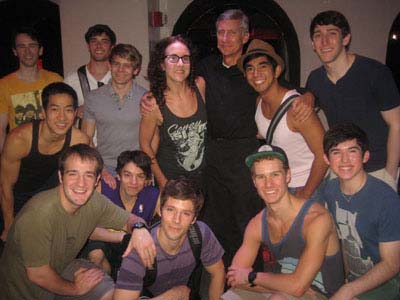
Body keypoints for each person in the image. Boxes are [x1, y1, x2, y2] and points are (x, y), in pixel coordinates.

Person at [0, 144, 156, 300]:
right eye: (73, 174)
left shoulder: (94, 201)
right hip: (26, 290)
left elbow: (129, 219)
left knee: (109, 292)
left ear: (97, 180)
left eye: (88, 175)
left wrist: (139, 228)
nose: (81, 183)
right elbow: (38, 275)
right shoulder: (38, 214)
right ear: (61, 177)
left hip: (63, 267)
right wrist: (75, 288)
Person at [223, 145, 344, 299]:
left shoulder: (316, 219)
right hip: (282, 287)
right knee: (228, 297)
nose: (268, 184)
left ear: (288, 175)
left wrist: (252, 277)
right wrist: (281, 287)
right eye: (261, 177)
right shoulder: (257, 224)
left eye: (275, 174)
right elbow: (235, 279)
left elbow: (298, 287)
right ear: (254, 182)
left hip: (321, 294)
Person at [306, 10, 400, 190]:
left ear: (346, 38)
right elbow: (304, 115)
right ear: (313, 43)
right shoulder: (315, 80)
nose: (324, 42)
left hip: (377, 170)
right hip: (341, 169)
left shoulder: (375, 72)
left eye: (332, 34)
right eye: (318, 36)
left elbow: (397, 124)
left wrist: (390, 174)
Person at [237, 39, 327, 200]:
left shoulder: (297, 108)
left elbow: (323, 154)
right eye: (250, 69)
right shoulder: (259, 103)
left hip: (308, 185)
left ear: (277, 71)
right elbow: (274, 133)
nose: (256, 74)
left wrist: (306, 192)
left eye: (263, 66)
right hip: (282, 185)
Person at [0, 82, 90, 242]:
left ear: (75, 113)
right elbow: (5, 186)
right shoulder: (19, 139)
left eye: (68, 110)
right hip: (17, 200)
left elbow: (84, 178)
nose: (62, 118)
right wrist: (9, 226)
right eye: (55, 110)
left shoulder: (79, 140)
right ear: (43, 112)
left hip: (51, 200)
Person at [322, 123, 400, 300]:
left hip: (388, 281)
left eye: (352, 151)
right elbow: (341, 240)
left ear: (365, 156)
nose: (344, 160)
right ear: (326, 159)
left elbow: (392, 264)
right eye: (336, 152)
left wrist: (349, 290)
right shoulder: (330, 190)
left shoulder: (386, 199)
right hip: (354, 277)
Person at [114, 177, 225, 300]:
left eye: (186, 213)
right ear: (160, 210)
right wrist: (172, 295)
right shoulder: (139, 250)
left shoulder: (200, 234)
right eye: (170, 210)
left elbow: (218, 271)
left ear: (194, 219)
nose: (176, 220)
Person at [140, 35, 206, 188]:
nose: (180, 64)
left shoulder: (200, 85)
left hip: (202, 178)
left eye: (185, 58)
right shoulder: (154, 103)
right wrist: (162, 180)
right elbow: (145, 144)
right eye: (173, 58)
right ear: (162, 64)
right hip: (171, 180)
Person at [82, 150, 159, 278]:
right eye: (127, 175)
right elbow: (88, 230)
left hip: (133, 246)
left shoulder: (153, 195)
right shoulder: (104, 189)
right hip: (104, 240)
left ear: (146, 179)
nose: (133, 182)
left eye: (140, 176)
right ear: (118, 175)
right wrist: (124, 237)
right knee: (96, 255)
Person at [82, 43, 146, 188]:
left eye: (127, 65)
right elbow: (86, 138)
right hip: (105, 166)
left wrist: (145, 170)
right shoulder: (93, 98)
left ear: (136, 70)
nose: (120, 70)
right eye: (116, 64)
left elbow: (152, 139)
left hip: (137, 168)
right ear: (109, 66)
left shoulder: (146, 98)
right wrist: (101, 169)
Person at [0, 25, 63, 152]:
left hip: (53, 152)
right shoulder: (4, 85)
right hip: (21, 154)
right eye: (21, 46)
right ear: (14, 51)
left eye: (32, 45)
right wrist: (5, 158)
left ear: (40, 50)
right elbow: (1, 129)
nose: (27, 51)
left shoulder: (55, 80)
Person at [64, 24, 116, 142]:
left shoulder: (120, 79)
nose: (98, 46)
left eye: (104, 41)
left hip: (114, 147)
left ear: (112, 47)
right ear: (88, 46)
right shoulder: (72, 81)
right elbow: (61, 116)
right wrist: (76, 112)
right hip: (83, 147)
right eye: (94, 41)